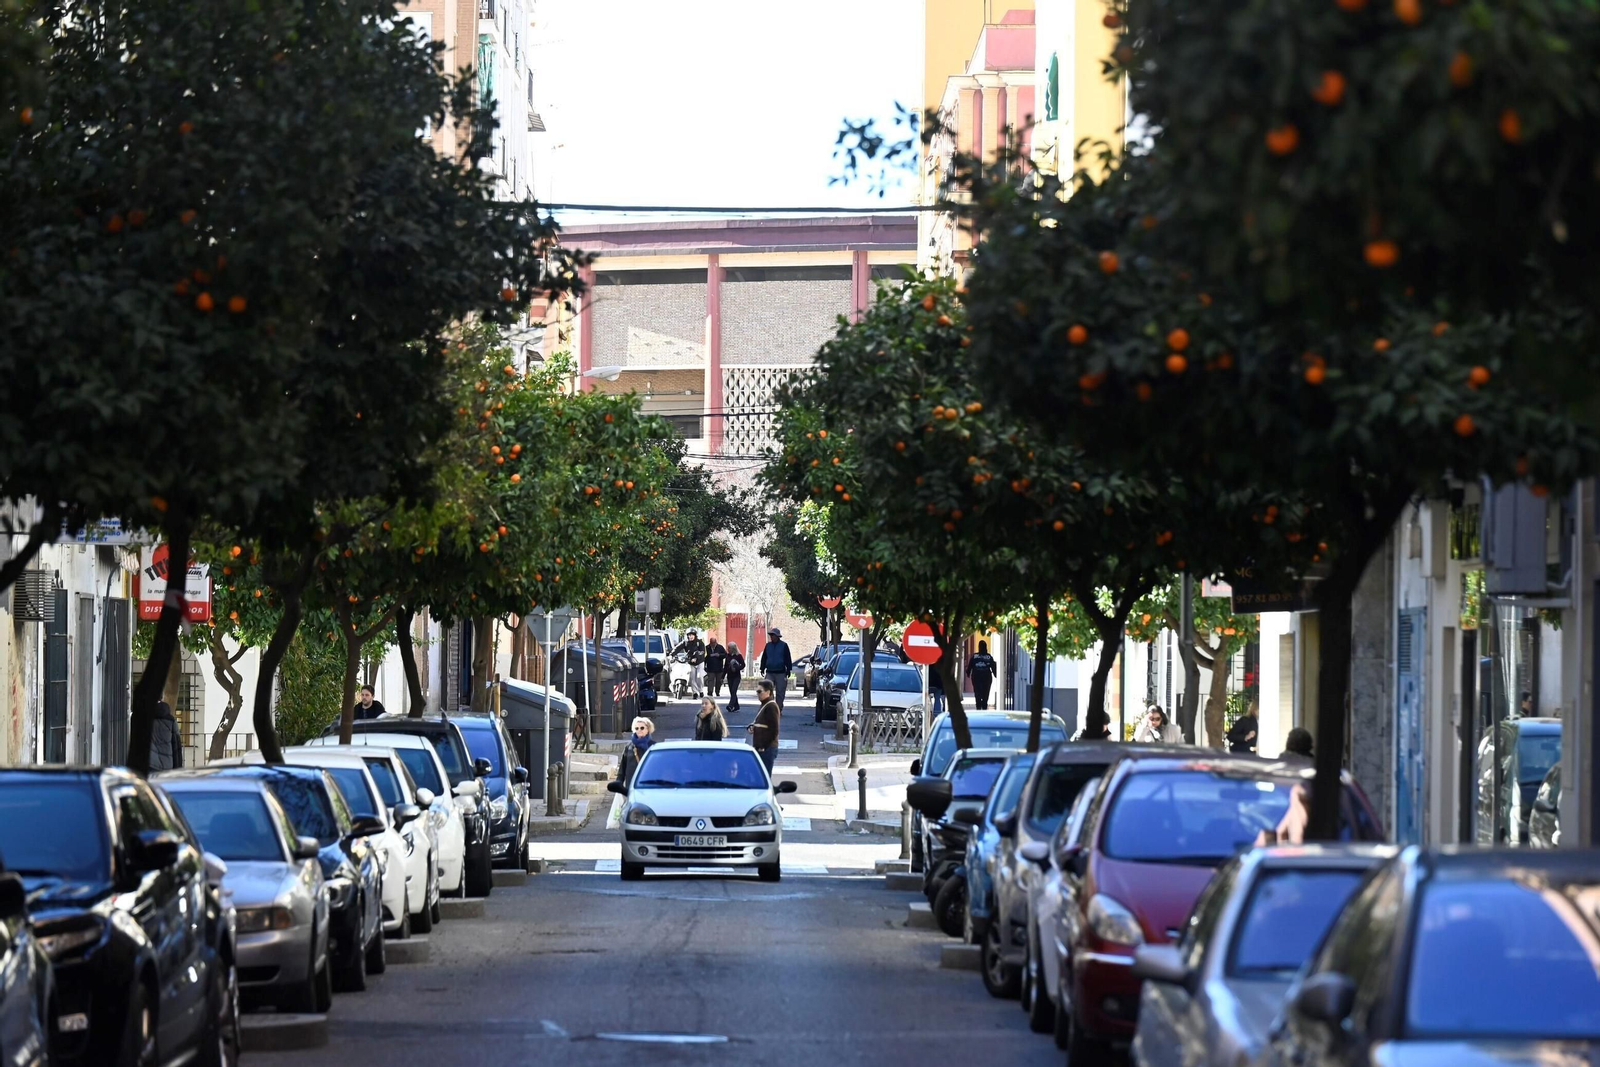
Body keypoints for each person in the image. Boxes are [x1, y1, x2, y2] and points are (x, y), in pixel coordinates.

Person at [747, 680, 782, 775]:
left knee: (764, 776)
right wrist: (753, 726)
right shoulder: (765, 704)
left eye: (760, 691)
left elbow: (774, 729)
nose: (758, 694)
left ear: (768, 692)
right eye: (757, 692)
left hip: (767, 748)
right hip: (761, 747)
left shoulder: (771, 706)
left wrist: (764, 746)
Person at [759, 627, 793, 709]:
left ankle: (778, 708)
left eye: (773, 635)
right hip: (770, 671)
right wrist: (762, 668)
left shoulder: (784, 645)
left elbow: (787, 658)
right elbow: (764, 657)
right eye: (771, 635)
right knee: (768, 690)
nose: (772, 637)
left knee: (780, 692)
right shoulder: (768, 646)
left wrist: (788, 670)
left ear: (778, 636)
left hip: (781, 672)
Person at [618, 717, 656, 786]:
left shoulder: (654, 746)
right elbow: (622, 769)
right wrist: (618, 783)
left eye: (642, 728)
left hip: (649, 784)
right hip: (631, 785)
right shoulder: (629, 747)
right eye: (636, 728)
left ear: (648, 729)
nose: (639, 730)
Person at [149, 699, 182, 771]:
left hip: (150, 762)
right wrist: (178, 767)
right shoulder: (171, 720)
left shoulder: (144, 719)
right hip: (167, 764)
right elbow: (176, 745)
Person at [676, 631, 706, 698]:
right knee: (692, 678)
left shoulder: (700, 643)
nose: (691, 637)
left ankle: (701, 690)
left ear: (695, 636)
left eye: (692, 635)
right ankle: (695, 692)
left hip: (699, 662)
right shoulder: (685, 643)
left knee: (699, 677)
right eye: (689, 635)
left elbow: (702, 652)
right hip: (690, 662)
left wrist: (696, 658)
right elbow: (677, 648)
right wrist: (671, 654)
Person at [968, 641, 997, 710]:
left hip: (976, 677)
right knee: (986, 693)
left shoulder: (974, 656)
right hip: (986, 677)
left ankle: (978, 706)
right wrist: (996, 674)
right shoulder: (989, 657)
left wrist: (968, 673)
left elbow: (970, 666)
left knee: (977, 692)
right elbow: (993, 666)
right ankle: (984, 706)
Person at [724, 642, 745, 714]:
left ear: (733, 648)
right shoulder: (728, 656)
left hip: (736, 676)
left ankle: (730, 705)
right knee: (732, 692)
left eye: (729, 648)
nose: (728, 649)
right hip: (729, 676)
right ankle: (736, 706)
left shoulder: (738, 656)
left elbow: (743, 665)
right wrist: (722, 676)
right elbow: (725, 667)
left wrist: (737, 668)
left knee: (733, 690)